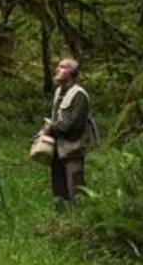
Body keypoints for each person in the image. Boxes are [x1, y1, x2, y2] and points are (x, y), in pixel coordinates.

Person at [39, 57, 96, 202]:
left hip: (73, 149)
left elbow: (73, 125)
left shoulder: (79, 95)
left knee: (75, 191)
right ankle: (61, 220)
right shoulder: (58, 92)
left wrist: (51, 127)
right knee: (59, 191)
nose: (57, 69)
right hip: (58, 149)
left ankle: (79, 221)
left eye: (62, 67)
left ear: (71, 72)